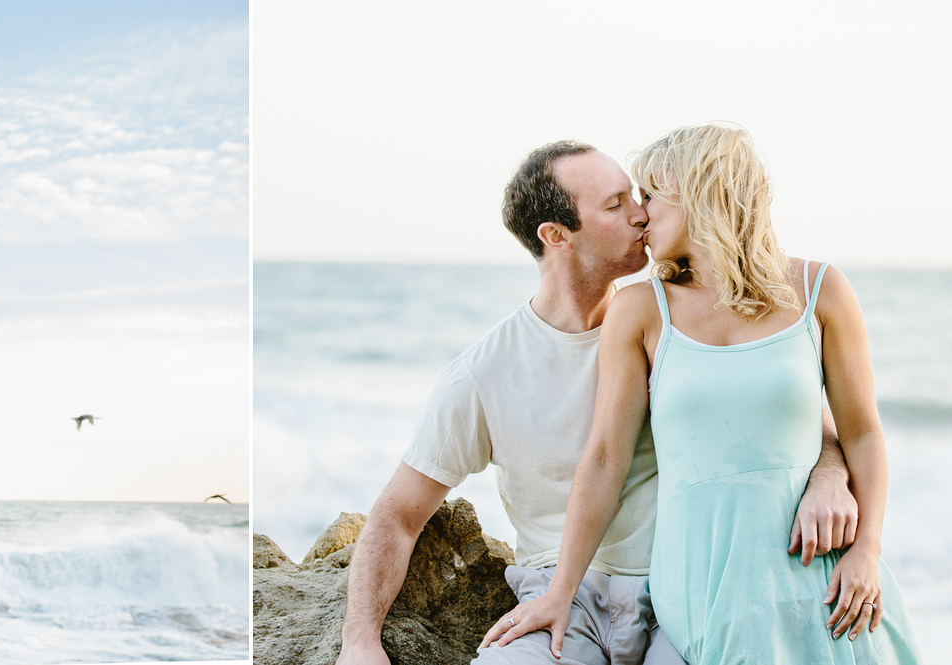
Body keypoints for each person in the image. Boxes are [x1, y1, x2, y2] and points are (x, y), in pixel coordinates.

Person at [336, 140, 862, 665]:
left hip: (682, 592)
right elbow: (399, 515)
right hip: (561, 603)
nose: (641, 214)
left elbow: (781, 416)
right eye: (615, 205)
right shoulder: (484, 373)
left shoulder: (671, 324)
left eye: (639, 196)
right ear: (556, 235)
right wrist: (359, 642)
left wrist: (830, 474)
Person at [483, 125, 922, 663]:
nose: (640, 214)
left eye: (650, 195)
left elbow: (861, 430)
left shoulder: (821, 289)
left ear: (699, 193)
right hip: (699, 582)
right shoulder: (642, 310)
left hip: (820, 577)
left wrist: (867, 549)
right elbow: (604, 458)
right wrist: (560, 592)